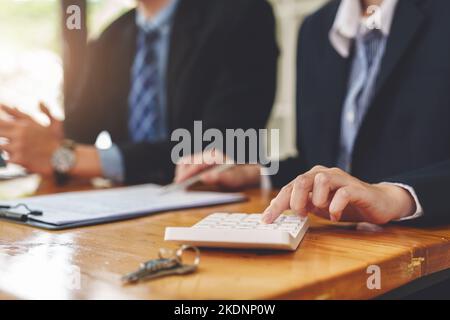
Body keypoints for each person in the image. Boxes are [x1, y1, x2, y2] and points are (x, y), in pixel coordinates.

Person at [175, 0, 450, 226]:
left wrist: (395, 196)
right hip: (337, 241)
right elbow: (319, 161)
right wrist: (255, 173)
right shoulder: (316, 28)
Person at [0, 0, 278, 185]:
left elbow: (226, 145)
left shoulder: (243, 14)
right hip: (126, 214)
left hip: (214, 213)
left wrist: (66, 156)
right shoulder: (112, 37)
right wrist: (55, 140)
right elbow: (79, 133)